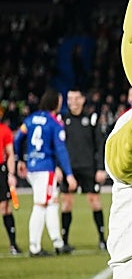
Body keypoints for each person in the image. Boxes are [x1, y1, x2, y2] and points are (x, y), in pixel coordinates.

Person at [14, 89, 76, 256]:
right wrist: (69, 173)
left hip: (32, 166)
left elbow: (18, 138)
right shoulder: (54, 123)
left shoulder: (31, 119)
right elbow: (61, 149)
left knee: (52, 203)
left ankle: (58, 242)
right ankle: (34, 247)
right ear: (55, 103)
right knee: (40, 205)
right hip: (45, 168)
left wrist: (20, 159)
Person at [59, 88, 109, 251]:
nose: (72, 101)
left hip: (89, 167)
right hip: (69, 169)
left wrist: (101, 168)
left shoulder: (91, 119)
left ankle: (102, 239)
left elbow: (100, 146)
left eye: (75, 98)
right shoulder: (62, 120)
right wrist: (59, 168)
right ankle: (64, 241)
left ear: (82, 100)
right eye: (69, 98)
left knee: (94, 202)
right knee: (66, 203)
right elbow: (58, 147)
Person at [0, 116, 19, 254]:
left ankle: (13, 244)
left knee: (5, 206)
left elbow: (10, 153)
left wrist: (11, 174)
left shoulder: (4, 130)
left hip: (1, 170)